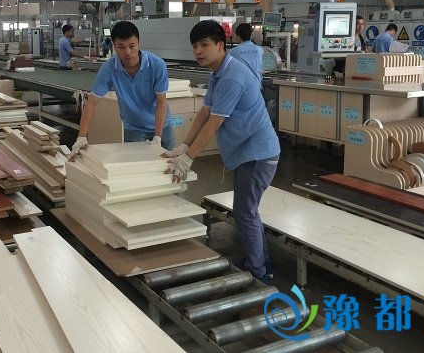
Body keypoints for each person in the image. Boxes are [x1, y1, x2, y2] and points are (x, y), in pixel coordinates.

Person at [164, 20, 280, 283]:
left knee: (245, 211)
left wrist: (188, 158)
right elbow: (204, 113)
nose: (198, 51)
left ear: (220, 45)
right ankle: (261, 262)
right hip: (247, 152)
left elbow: (215, 122)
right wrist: (184, 146)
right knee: (247, 210)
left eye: (204, 45)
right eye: (195, 46)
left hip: (258, 153)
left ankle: (258, 272)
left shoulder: (232, 76)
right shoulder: (217, 73)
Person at [70, 20, 175, 154]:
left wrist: (158, 136)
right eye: (121, 47)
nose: (128, 52)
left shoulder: (156, 65)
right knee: (135, 166)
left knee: (167, 164)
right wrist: (81, 136)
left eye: (132, 46)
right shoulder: (109, 68)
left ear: (139, 43)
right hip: (134, 128)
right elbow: (91, 103)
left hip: (162, 126)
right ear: (114, 46)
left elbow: (161, 102)